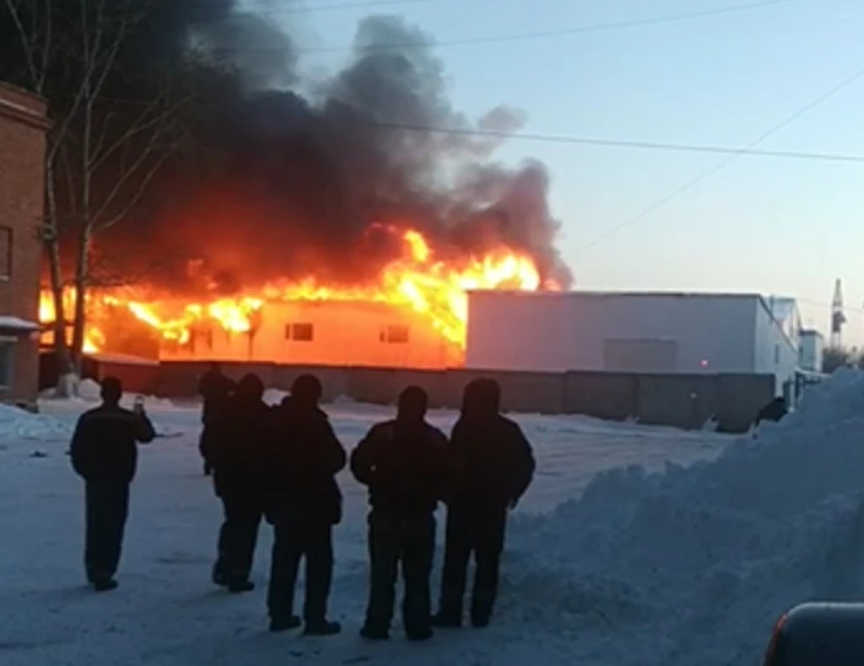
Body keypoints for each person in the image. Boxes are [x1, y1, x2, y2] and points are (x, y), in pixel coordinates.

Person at [433, 378, 535, 629]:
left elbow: (450, 465)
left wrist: (447, 493)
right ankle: (481, 614)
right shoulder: (507, 430)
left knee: (456, 562)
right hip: (491, 507)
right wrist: (512, 492)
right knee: (487, 562)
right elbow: (525, 464)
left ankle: (450, 612)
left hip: (464, 506)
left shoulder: (464, 428)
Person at [350, 386, 449, 642]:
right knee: (417, 576)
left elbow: (358, 462)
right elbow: (449, 473)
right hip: (419, 516)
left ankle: (377, 624)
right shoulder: (434, 438)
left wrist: (375, 482)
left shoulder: (383, 434)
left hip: (386, 514)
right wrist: (433, 492)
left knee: (383, 574)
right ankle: (417, 626)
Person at [265, 374, 346, 636]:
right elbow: (335, 458)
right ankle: (315, 617)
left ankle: (279, 613)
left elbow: (262, 459)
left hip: (284, 500)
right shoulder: (315, 424)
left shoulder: (275, 421)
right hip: (314, 503)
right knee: (318, 564)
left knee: (284, 561)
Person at [69, 377, 156, 592]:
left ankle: (93, 567)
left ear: (102, 394)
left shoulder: (88, 419)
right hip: (119, 479)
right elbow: (147, 436)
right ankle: (106, 570)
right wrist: (142, 416)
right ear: (118, 395)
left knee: (95, 524)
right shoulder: (127, 420)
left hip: (96, 479)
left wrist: (86, 472)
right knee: (113, 526)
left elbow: (76, 449)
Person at [207, 372, 271, 593]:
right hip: (255, 480)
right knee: (247, 527)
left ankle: (225, 564)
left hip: (228, 479)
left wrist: (218, 463)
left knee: (233, 521)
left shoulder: (224, 412)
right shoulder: (264, 416)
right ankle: (238, 572)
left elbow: (208, 443)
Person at [198, 362, 235, 476]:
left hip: (210, 415)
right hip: (219, 415)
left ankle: (209, 462)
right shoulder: (221, 380)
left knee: (209, 439)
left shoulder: (206, 380)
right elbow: (233, 386)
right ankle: (214, 462)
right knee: (218, 440)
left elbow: (201, 390)